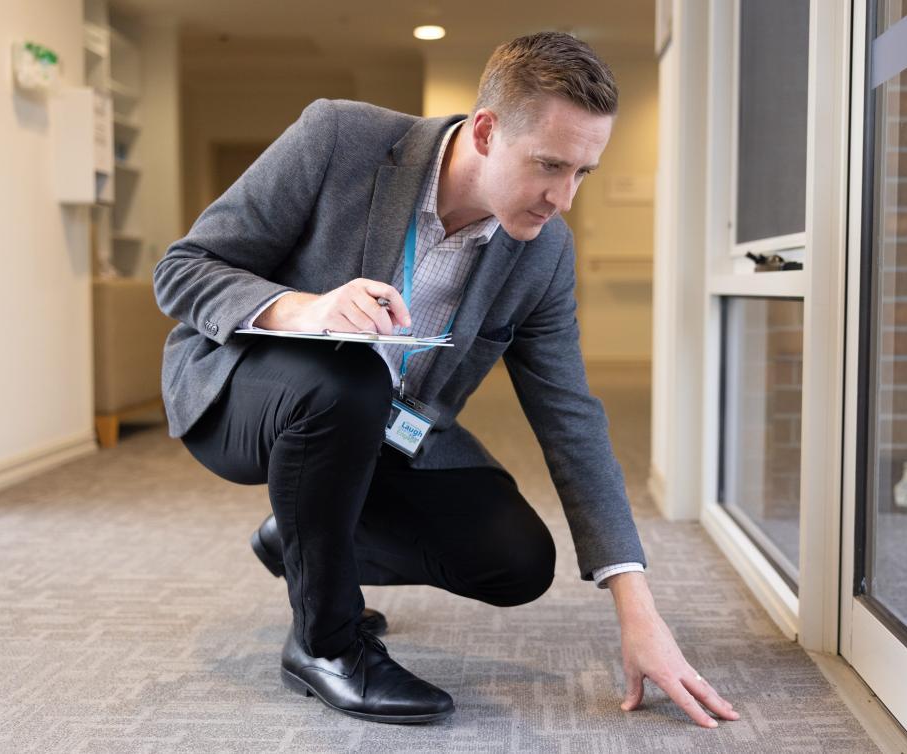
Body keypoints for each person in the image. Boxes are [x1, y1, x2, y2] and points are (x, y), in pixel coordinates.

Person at [153, 31, 738, 729]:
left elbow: (571, 419)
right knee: (348, 380)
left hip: (388, 433)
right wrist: (308, 311)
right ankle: (326, 645)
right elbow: (183, 269)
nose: (564, 198)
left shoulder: (543, 254)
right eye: (549, 165)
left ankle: (298, 534)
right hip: (245, 393)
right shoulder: (340, 138)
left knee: (516, 560)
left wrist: (637, 607)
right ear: (487, 132)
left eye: (584, 173)